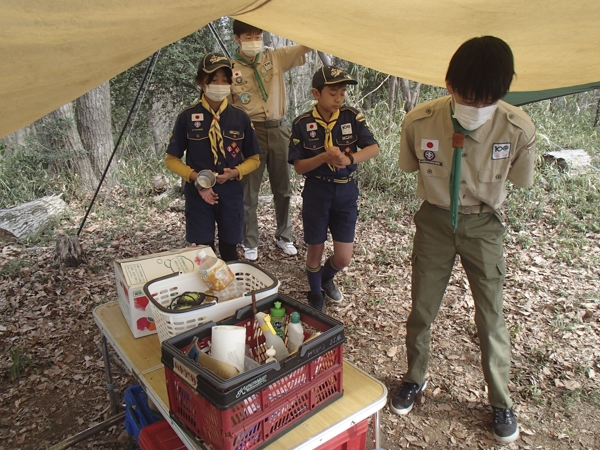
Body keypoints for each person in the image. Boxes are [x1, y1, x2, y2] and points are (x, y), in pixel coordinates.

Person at [394, 36, 537, 444]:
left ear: (502, 92)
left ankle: (500, 400)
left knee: (491, 316)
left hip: (484, 226)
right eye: (466, 97)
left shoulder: (518, 128)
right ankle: (414, 377)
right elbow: (408, 167)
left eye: (485, 100)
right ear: (449, 84)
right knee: (422, 308)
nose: (475, 108)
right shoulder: (420, 121)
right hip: (435, 222)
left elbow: (521, 181)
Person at [288, 66, 380, 311]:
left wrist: (349, 160)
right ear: (316, 93)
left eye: (342, 93)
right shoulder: (302, 123)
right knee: (315, 248)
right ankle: (315, 294)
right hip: (317, 191)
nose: (339, 99)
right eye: (333, 93)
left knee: (343, 256)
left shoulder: (352, 117)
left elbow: (373, 148)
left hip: (345, 192)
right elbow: (298, 167)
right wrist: (323, 157)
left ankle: (326, 278)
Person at [165, 52, 261, 261]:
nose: (220, 85)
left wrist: (235, 172)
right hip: (198, 194)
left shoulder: (240, 117)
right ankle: (207, 292)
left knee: (230, 250)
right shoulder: (187, 117)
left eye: (225, 80)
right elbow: (171, 159)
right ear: (201, 82)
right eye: (213, 80)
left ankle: (231, 289)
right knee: (203, 252)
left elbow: (255, 158)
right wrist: (198, 181)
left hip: (231, 192)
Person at [230, 19, 311, 261]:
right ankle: (250, 240)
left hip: (278, 129)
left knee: (283, 189)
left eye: (257, 35)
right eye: (248, 36)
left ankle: (284, 235)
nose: (254, 40)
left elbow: (305, 47)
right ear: (237, 39)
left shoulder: (274, 57)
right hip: (249, 132)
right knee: (249, 191)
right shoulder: (231, 68)